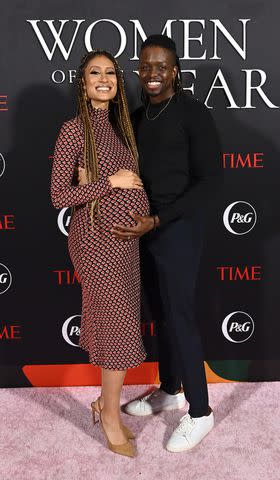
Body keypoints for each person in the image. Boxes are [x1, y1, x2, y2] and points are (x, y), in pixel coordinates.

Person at [111, 35, 222, 453]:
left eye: (161, 66)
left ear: (175, 71)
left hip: (177, 228)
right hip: (144, 229)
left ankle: (200, 412)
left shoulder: (194, 114)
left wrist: (159, 218)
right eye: (145, 66)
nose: (152, 74)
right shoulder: (138, 118)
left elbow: (211, 181)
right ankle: (171, 388)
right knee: (159, 312)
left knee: (179, 316)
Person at [51, 49, 150, 458]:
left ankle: (103, 404)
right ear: (83, 82)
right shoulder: (73, 130)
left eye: (110, 72)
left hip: (126, 244)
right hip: (94, 243)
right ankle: (110, 416)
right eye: (95, 73)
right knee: (119, 328)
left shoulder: (121, 127)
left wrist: (125, 187)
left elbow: (132, 181)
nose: (104, 79)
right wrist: (108, 182)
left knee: (117, 326)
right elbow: (59, 195)